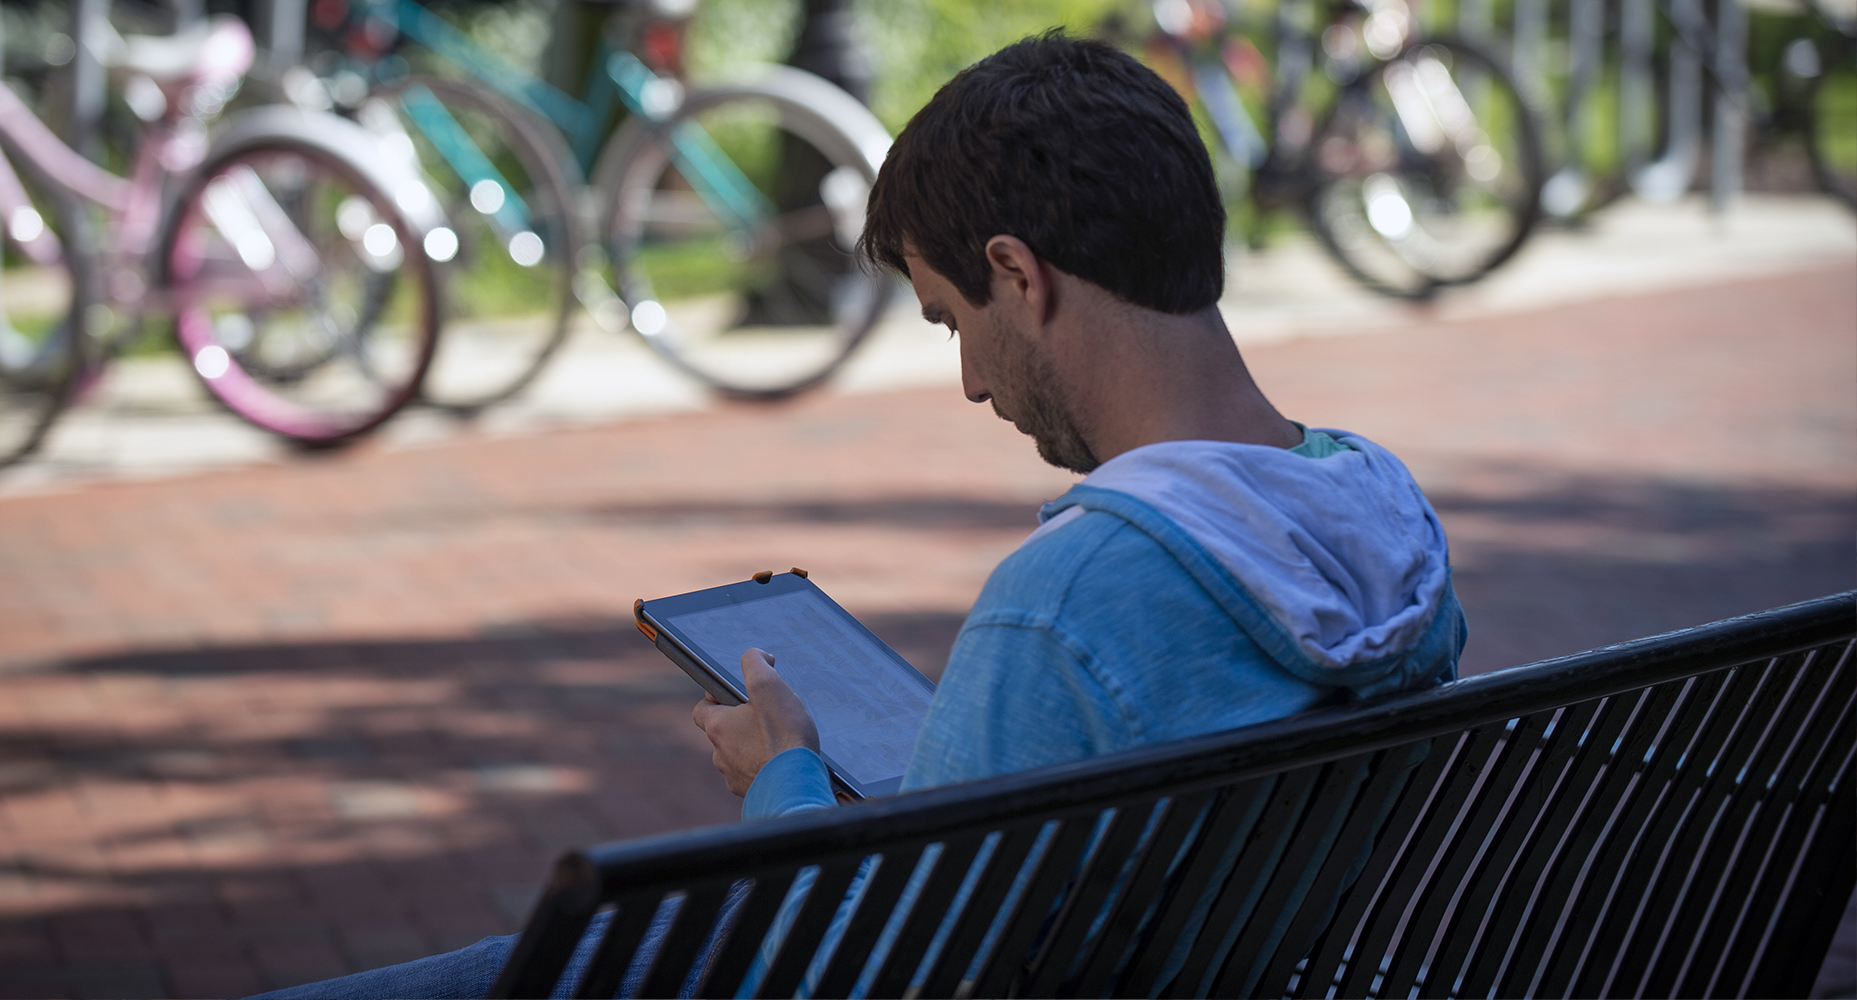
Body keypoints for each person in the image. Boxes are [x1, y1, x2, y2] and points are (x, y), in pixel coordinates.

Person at [248, 28, 1463, 1000]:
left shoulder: (1075, 591)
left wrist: (784, 781)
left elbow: (871, 965)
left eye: (951, 322)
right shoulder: (1386, 521)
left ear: (1018, 274)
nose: (974, 383)